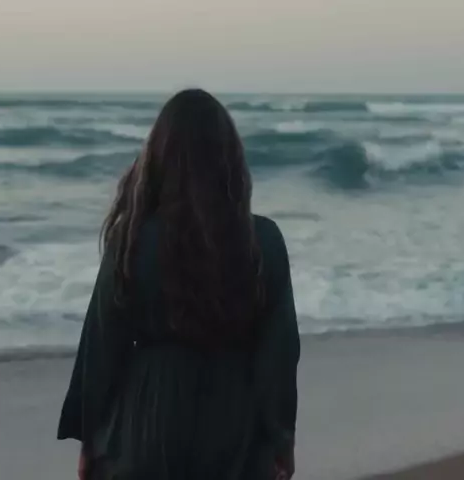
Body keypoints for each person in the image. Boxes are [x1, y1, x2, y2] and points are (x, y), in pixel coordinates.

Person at [57, 89, 300, 480]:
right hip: (233, 427)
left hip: (146, 422)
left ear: (158, 159)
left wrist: (90, 440)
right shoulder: (264, 241)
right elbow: (279, 355)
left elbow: (101, 347)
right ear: (230, 160)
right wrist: (281, 438)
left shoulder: (132, 240)